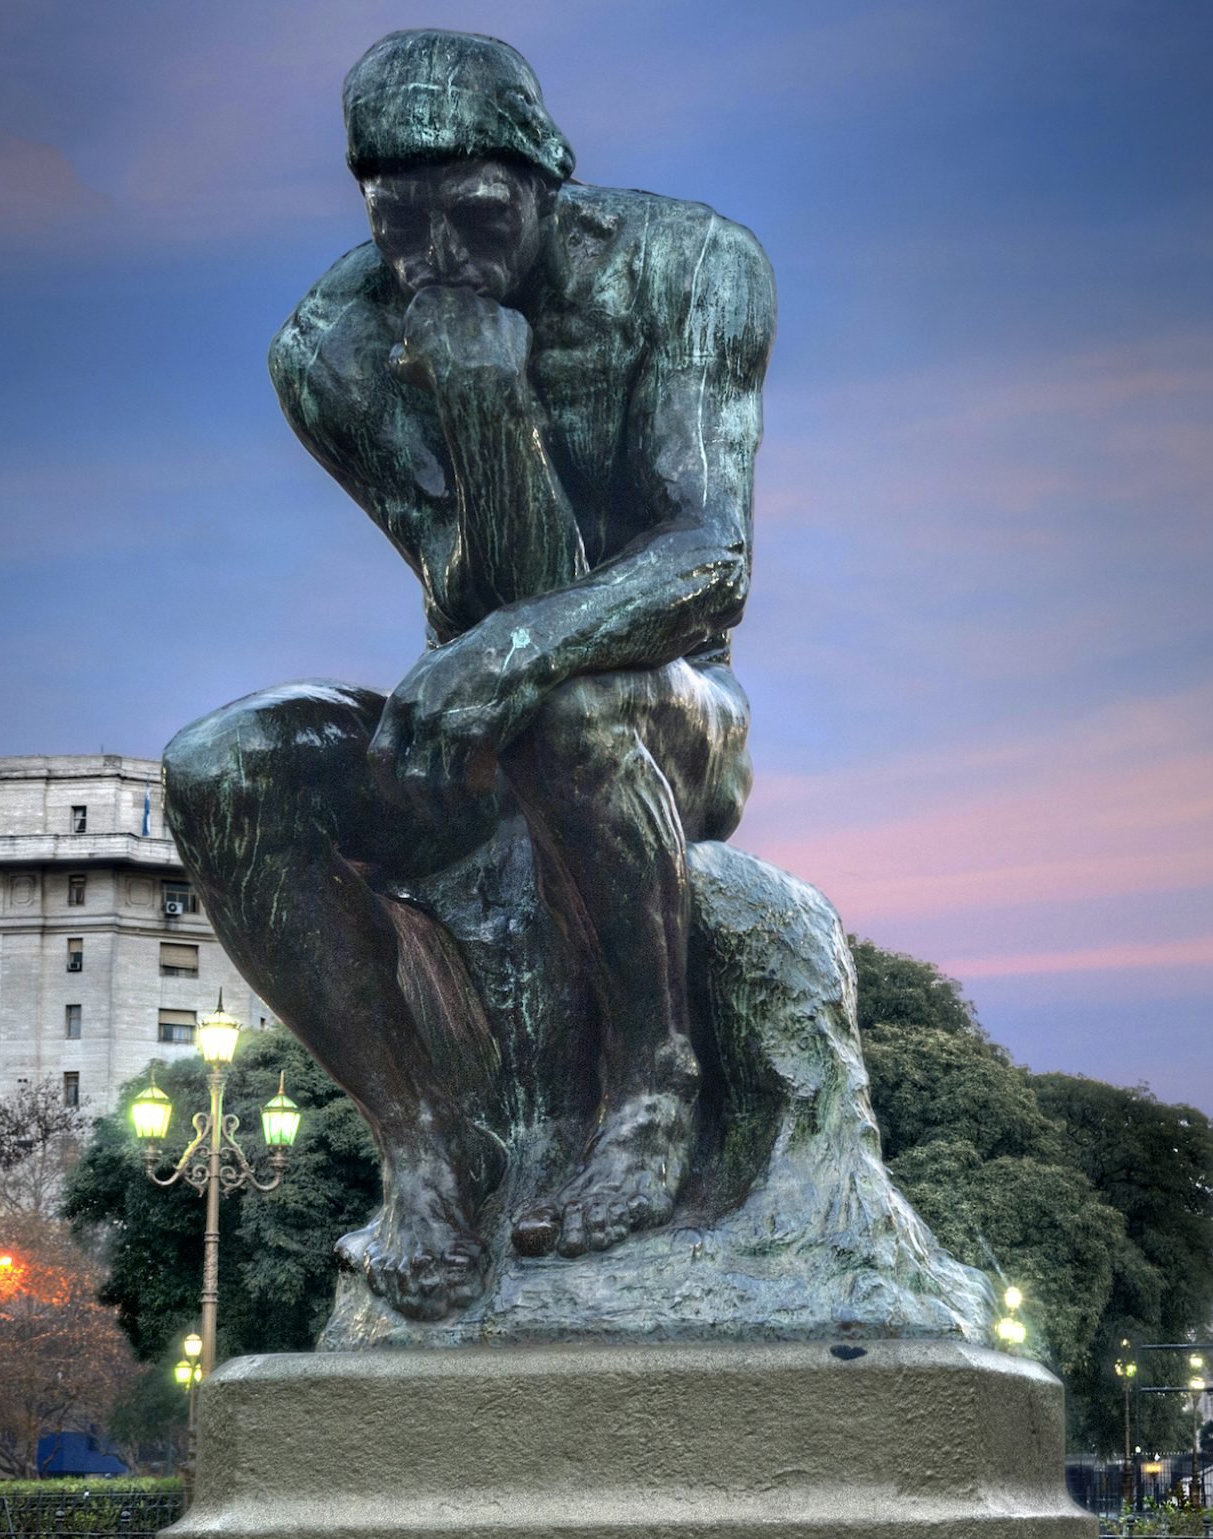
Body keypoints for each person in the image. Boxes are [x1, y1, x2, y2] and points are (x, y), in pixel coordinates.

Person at [163, 31, 774, 1318]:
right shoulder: (329, 347)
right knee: (221, 767)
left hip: (671, 706)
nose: (442, 259)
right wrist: (478, 398)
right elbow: (477, 590)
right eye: (403, 225)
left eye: (478, 217)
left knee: (570, 691)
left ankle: (651, 1087)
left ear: (547, 173)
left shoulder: (693, 265)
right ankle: (427, 1154)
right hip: (481, 705)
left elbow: (709, 563)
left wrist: (513, 648)